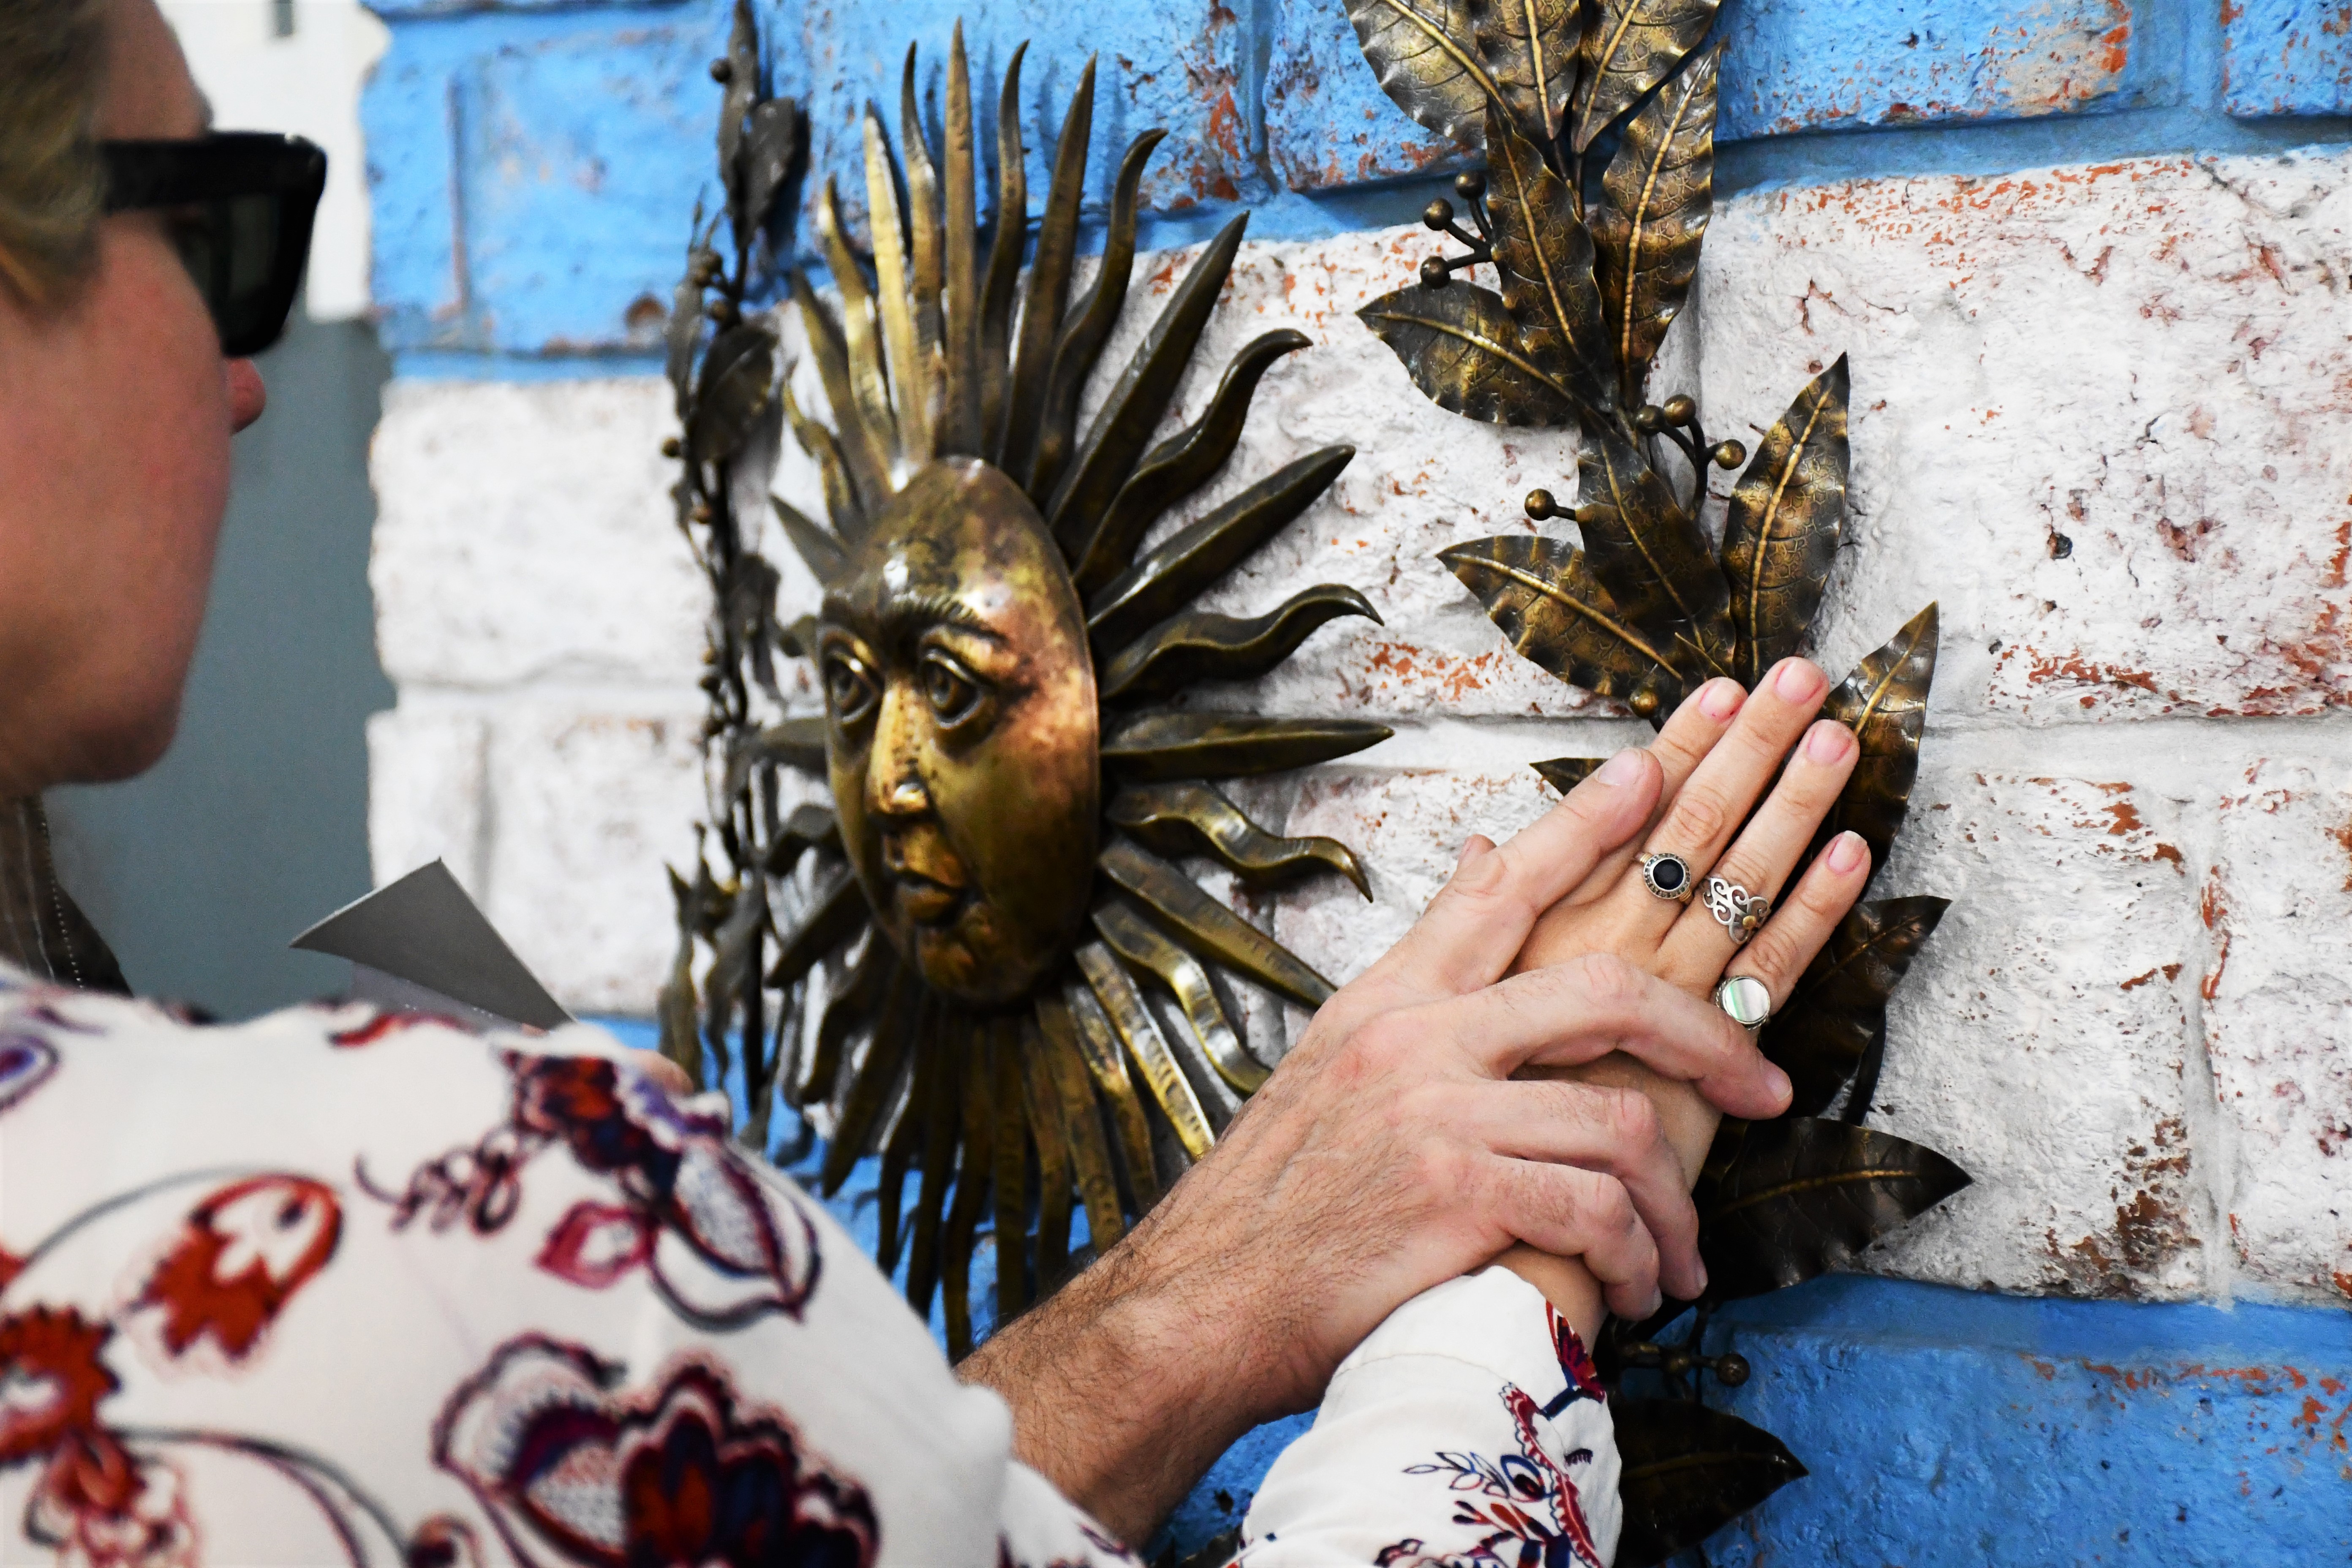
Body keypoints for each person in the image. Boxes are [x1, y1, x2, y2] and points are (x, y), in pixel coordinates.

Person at [0, 1, 1873, 1562]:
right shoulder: (425, 1238)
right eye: (220, 222)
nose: (243, 377)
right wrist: (1509, 1307)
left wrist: (1182, 1306)